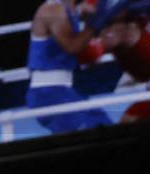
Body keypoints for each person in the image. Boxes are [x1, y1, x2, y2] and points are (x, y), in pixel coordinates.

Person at [23, 2, 110, 135]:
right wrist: (93, 25)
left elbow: (79, 51)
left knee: (102, 123)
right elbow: (72, 46)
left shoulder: (70, 10)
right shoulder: (53, 9)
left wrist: (86, 21)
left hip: (64, 90)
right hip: (47, 93)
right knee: (87, 135)